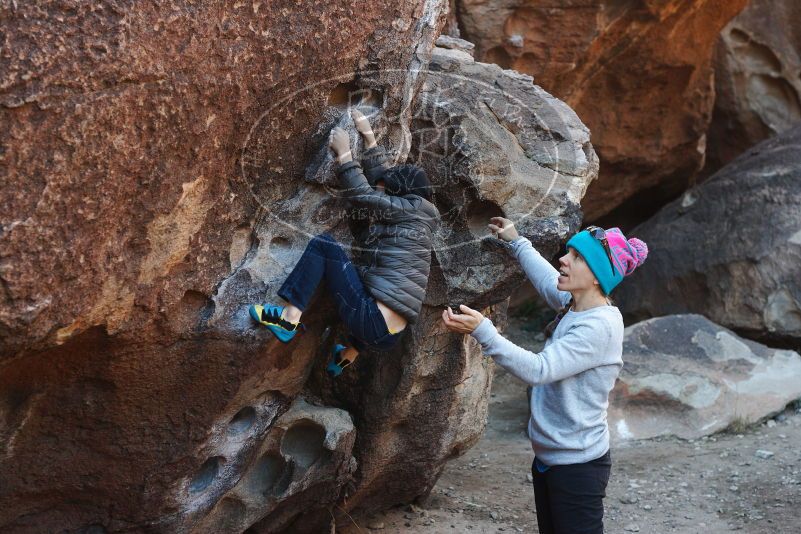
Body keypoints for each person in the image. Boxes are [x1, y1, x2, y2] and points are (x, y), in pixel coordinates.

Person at [441, 217, 648, 534]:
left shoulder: (599, 326)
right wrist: (517, 242)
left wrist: (482, 330)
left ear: (597, 277)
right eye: (569, 253)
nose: (564, 260)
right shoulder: (576, 304)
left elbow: (539, 370)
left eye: (577, 258)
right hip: (553, 459)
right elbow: (547, 280)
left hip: (577, 466)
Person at [249, 109, 440, 377]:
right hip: (388, 336)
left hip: (371, 320)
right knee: (359, 273)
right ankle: (347, 355)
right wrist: (369, 137)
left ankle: (288, 320)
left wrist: (345, 155)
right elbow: (380, 189)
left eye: (387, 188)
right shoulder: (414, 223)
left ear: (402, 194)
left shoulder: (412, 209)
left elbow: (365, 194)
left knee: (325, 245)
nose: (382, 188)